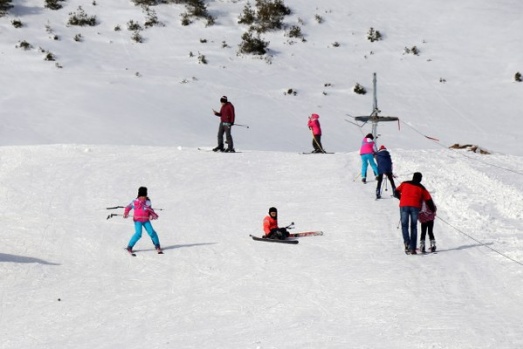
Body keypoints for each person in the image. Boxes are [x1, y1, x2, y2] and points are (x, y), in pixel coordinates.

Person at [394, 172, 436, 255]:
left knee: (404, 225)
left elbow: (395, 192)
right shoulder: (421, 187)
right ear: (420, 179)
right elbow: (429, 200)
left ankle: (407, 244)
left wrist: (401, 198)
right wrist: (433, 209)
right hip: (415, 206)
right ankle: (413, 248)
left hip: (404, 205)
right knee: (413, 226)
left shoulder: (404, 183)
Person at [123, 186, 162, 254]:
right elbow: (128, 207)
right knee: (138, 234)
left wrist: (152, 216)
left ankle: (157, 245)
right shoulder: (135, 202)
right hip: (137, 220)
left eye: (144, 196)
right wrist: (126, 213)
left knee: (152, 232)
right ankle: (129, 247)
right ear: (139, 195)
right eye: (141, 196)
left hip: (146, 220)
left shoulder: (147, 202)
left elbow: (150, 210)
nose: (142, 198)